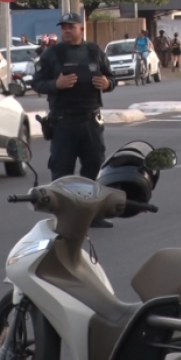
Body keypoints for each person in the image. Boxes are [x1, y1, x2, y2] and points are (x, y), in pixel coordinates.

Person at [32, 13, 116, 228]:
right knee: (62, 171)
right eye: (64, 28)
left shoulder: (94, 51)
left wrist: (107, 83)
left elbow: (111, 78)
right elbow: (37, 83)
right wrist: (55, 85)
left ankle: (92, 214)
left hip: (90, 121)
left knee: (93, 167)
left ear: (81, 29)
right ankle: (64, 216)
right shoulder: (52, 54)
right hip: (63, 123)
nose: (66, 31)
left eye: (71, 27)